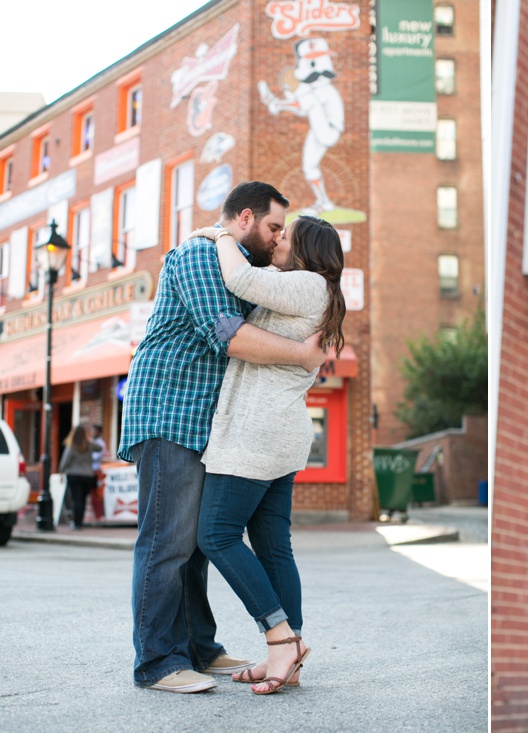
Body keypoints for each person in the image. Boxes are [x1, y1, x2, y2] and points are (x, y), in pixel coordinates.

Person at [118, 181, 329, 694]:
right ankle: (158, 663)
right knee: (166, 543)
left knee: (193, 544)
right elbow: (229, 334)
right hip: (169, 410)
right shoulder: (197, 255)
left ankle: (198, 647)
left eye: (285, 231)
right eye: (274, 227)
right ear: (245, 218)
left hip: (204, 421)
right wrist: (302, 356)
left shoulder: (244, 266)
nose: (279, 237)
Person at [192, 215, 345, 694]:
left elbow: (238, 277)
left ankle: (278, 637)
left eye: (286, 234)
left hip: (257, 432)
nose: (277, 239)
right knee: (273, 544)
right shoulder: (309, 289)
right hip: (278, 430)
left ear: (306, 248)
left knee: (216, 534)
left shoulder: (307, 284)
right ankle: (291, 649)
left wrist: (218, 234)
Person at [59, 425, 96, 530]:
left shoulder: (72, 446)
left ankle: (76, 523)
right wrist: (90, 440)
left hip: (74, 475)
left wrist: (61, 471)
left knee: (76, 499)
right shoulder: (89, 445)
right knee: (83, 500)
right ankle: (80, 521)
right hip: (88, 475)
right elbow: (99, 448)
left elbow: (65, 461)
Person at [88, 424, 106, 522]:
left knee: (96, 494)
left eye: (95, 431)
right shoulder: (91, 442)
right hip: (88, 470)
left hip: (95, 470)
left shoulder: (100, 443)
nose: (93, 432)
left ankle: (98, 516)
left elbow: (96, 457)